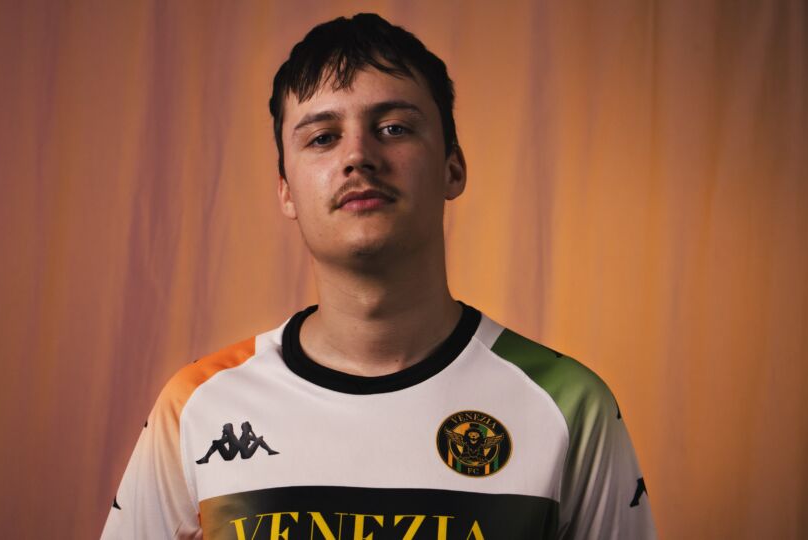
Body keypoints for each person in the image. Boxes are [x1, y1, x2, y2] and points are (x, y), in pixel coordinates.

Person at [102, 13, 656, 539]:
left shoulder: (567, 405)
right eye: (323, 137)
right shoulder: (198, 406)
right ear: (286, 190)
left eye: (393, 128)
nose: (359, 156)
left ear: (452, 168)